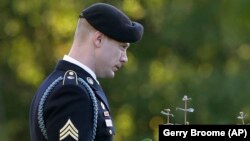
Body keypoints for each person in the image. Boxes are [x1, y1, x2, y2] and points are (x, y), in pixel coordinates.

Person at [29, 2, 143, 141]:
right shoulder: (71, 91)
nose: (124, 58)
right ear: (98, 39)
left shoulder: (65, 84)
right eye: (122, 47)